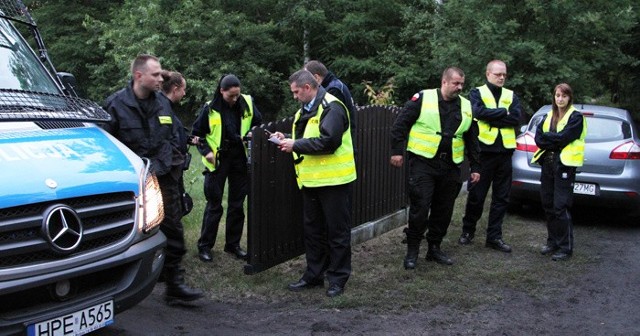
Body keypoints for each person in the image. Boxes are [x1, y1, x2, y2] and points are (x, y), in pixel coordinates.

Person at [102, 54, 203, 304]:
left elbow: (171, 134)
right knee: (123, 231)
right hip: (132, 182)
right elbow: (107, 148)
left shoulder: (161, 103)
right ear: (138, 76)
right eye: (155, 75)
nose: (161, 79)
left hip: (163, 176)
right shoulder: (115, 105)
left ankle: (174, 284)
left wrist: (172, 161)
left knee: (173, 229)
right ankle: (111, 285)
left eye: (161, 75)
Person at [272, 69, 356, 298]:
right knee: (313, 231)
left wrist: (295, 145)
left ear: (308, 88)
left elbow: (329, 142)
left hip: (335, 181)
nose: (294, 96)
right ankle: (314, 275)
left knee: (337, 232)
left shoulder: (332, 106)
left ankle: (338, 278)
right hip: (311, 182)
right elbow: (305, 136)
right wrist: (286, 139)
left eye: (296, 92)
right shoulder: (305, 110)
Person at [390, 67, 481, 269]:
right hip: (423, 164)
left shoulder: (466, 106)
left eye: (462, 84)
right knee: (420, 208)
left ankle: (434, 248)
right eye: (456, 83)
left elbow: (472, 139)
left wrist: (476, 167)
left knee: (444, 210)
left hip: (451, 166)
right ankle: (412, 250)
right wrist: (397, 151)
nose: (459, 87)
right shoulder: (423, 98)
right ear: (444, 82)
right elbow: (400, 125)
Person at [191, 74, 262, 262]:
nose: (235, 99)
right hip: (218, 160)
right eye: (231, 95)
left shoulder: (247, 102)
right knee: (214, 205)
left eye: (237, 95)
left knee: (237, 204)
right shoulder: (210, 108)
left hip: (239, 158)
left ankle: (233, 245)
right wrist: (206, 151)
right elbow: (197, 135)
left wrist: (249, 135)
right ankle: (205, 246)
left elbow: (258, 125)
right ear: (221, 91)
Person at [458, 60, 522, 252]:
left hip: (505, 154)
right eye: (497, 74)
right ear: (488, 74)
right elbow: (477, 112)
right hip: (484, 153)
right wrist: (503, 113)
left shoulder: (512, 95)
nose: (501, 77)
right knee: (477, 195)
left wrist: (492, 117)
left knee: (501, 198)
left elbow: (516, 118)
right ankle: (468, 231)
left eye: (504, 74)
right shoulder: (477, 93)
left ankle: (494, 237)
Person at [532, 83, 586, 261]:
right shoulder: (548, 116)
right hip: (547, 165)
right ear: (554, 97)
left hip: (564, 166)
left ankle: (565, 247)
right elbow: (539, 139)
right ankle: (552, 242)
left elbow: (565, 138)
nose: (560, 99)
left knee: (560, 207)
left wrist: (551, 138)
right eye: (557, 95)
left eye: (564, 96)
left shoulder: (576, 117)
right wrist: (552, 139)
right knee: (547, 204)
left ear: (570, 97)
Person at [160, 70, 194, 217]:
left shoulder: (168, 109)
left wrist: (188, 139)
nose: (184, 93)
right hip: (169, 171)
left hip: (174, 169)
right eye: (183, 89)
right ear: (175, 89)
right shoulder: (162, 109)